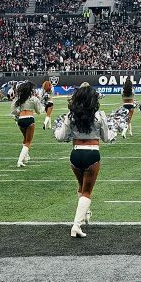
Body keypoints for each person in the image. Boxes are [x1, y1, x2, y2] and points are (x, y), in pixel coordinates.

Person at [54, 83, 114, 238]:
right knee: (87, 191)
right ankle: (76, 225)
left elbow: (60, 137)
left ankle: (85, 213)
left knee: (81, 187)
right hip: (92, 154)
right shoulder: (99, 115)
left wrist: (56, 128)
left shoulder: (71, 115)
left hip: (75, 154)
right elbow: (107, 138)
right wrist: (115, 130)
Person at [11, 81, 44, 167]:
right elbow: (39, 111)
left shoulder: (19, 99)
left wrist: (19, 113)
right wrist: (43, 105)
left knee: (25, 139)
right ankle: (20, 160)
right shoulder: (33, 99)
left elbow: (13, 111)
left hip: (21, 120)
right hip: (29, 119)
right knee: (28, 142)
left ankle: (25, 157)